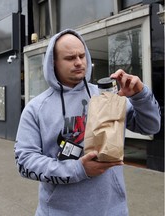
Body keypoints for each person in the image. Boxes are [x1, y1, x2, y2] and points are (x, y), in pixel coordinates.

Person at [14, 29, 161, 216]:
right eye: (70, 58)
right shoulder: (36, 108)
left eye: (82, 55)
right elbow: (25, 161)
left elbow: (151, 127)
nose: (79, 62)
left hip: (112, 210)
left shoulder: (107, 95)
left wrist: (141, 96)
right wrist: (78, 169)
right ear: (53, 62)